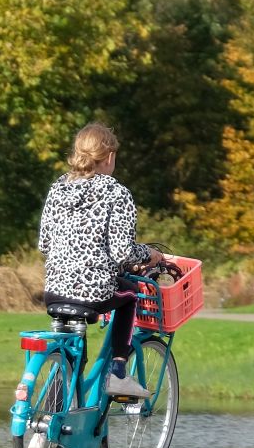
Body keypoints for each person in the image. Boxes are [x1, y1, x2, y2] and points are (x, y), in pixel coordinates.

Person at [36, 122, 166, 400]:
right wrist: (150, 255)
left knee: (73, 348)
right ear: (109, 157)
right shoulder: (117, 193)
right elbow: (122, 253)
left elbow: (44, 245)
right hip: (93, 292)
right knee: (130, 293)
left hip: (54, 290)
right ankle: (118, 372)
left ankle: (47, 428)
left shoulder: (58, 188)